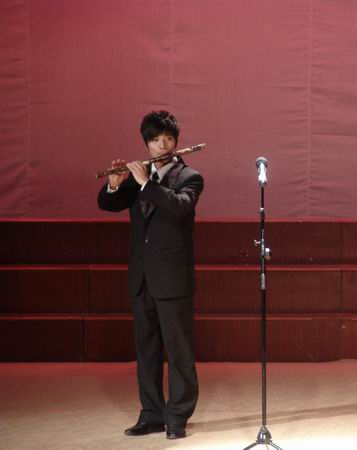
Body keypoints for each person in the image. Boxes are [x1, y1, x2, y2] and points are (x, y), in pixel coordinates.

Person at [98, 110, 202, 440]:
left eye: (168, 139)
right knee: (147, 350)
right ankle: (152, 414)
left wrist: (146, 182)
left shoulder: (190, 177)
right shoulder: (136, 177)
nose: (162, 145)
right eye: (155, 140)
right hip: (142, 277)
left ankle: (177, 416)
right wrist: (114, 185)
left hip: (172, 277)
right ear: (147, 143)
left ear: (176, 141)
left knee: (179, 350)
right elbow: (108, 204)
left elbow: (179, 206)